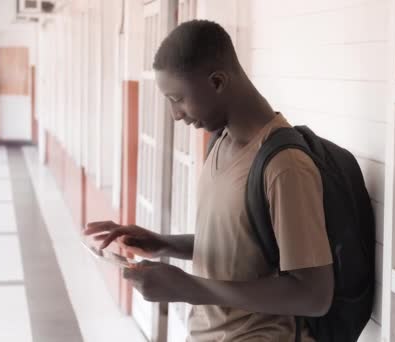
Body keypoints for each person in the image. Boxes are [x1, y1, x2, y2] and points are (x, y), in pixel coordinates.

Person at [84, 20, 334, 341]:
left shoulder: (285, 166)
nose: (175, 114)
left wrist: (189, 288)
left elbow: (314, 296)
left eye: (177, 98)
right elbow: (239, 250)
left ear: (217, 82)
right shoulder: (220, 143)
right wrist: (163, 243)